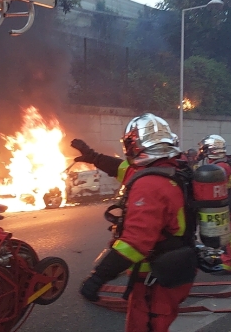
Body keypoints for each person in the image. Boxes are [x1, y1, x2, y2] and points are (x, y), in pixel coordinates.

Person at [72, 113, 194, 332]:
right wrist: (93, 157)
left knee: (145, 325)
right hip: (173, 269)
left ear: (134, 144)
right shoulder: (172, 168)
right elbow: (123, 169)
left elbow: (134, 244)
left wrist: (98, 278)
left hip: (154, 277)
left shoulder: (150, 184)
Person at [198, 134, 231, 274]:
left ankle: (229, 263)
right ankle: (222, 258)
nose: (202, 151)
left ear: (211, 150)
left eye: (204, 149)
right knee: (217, 233)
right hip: (224, 205)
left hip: (227, 206)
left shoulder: (221, 167)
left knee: (228, 235)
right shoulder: (222, 163)